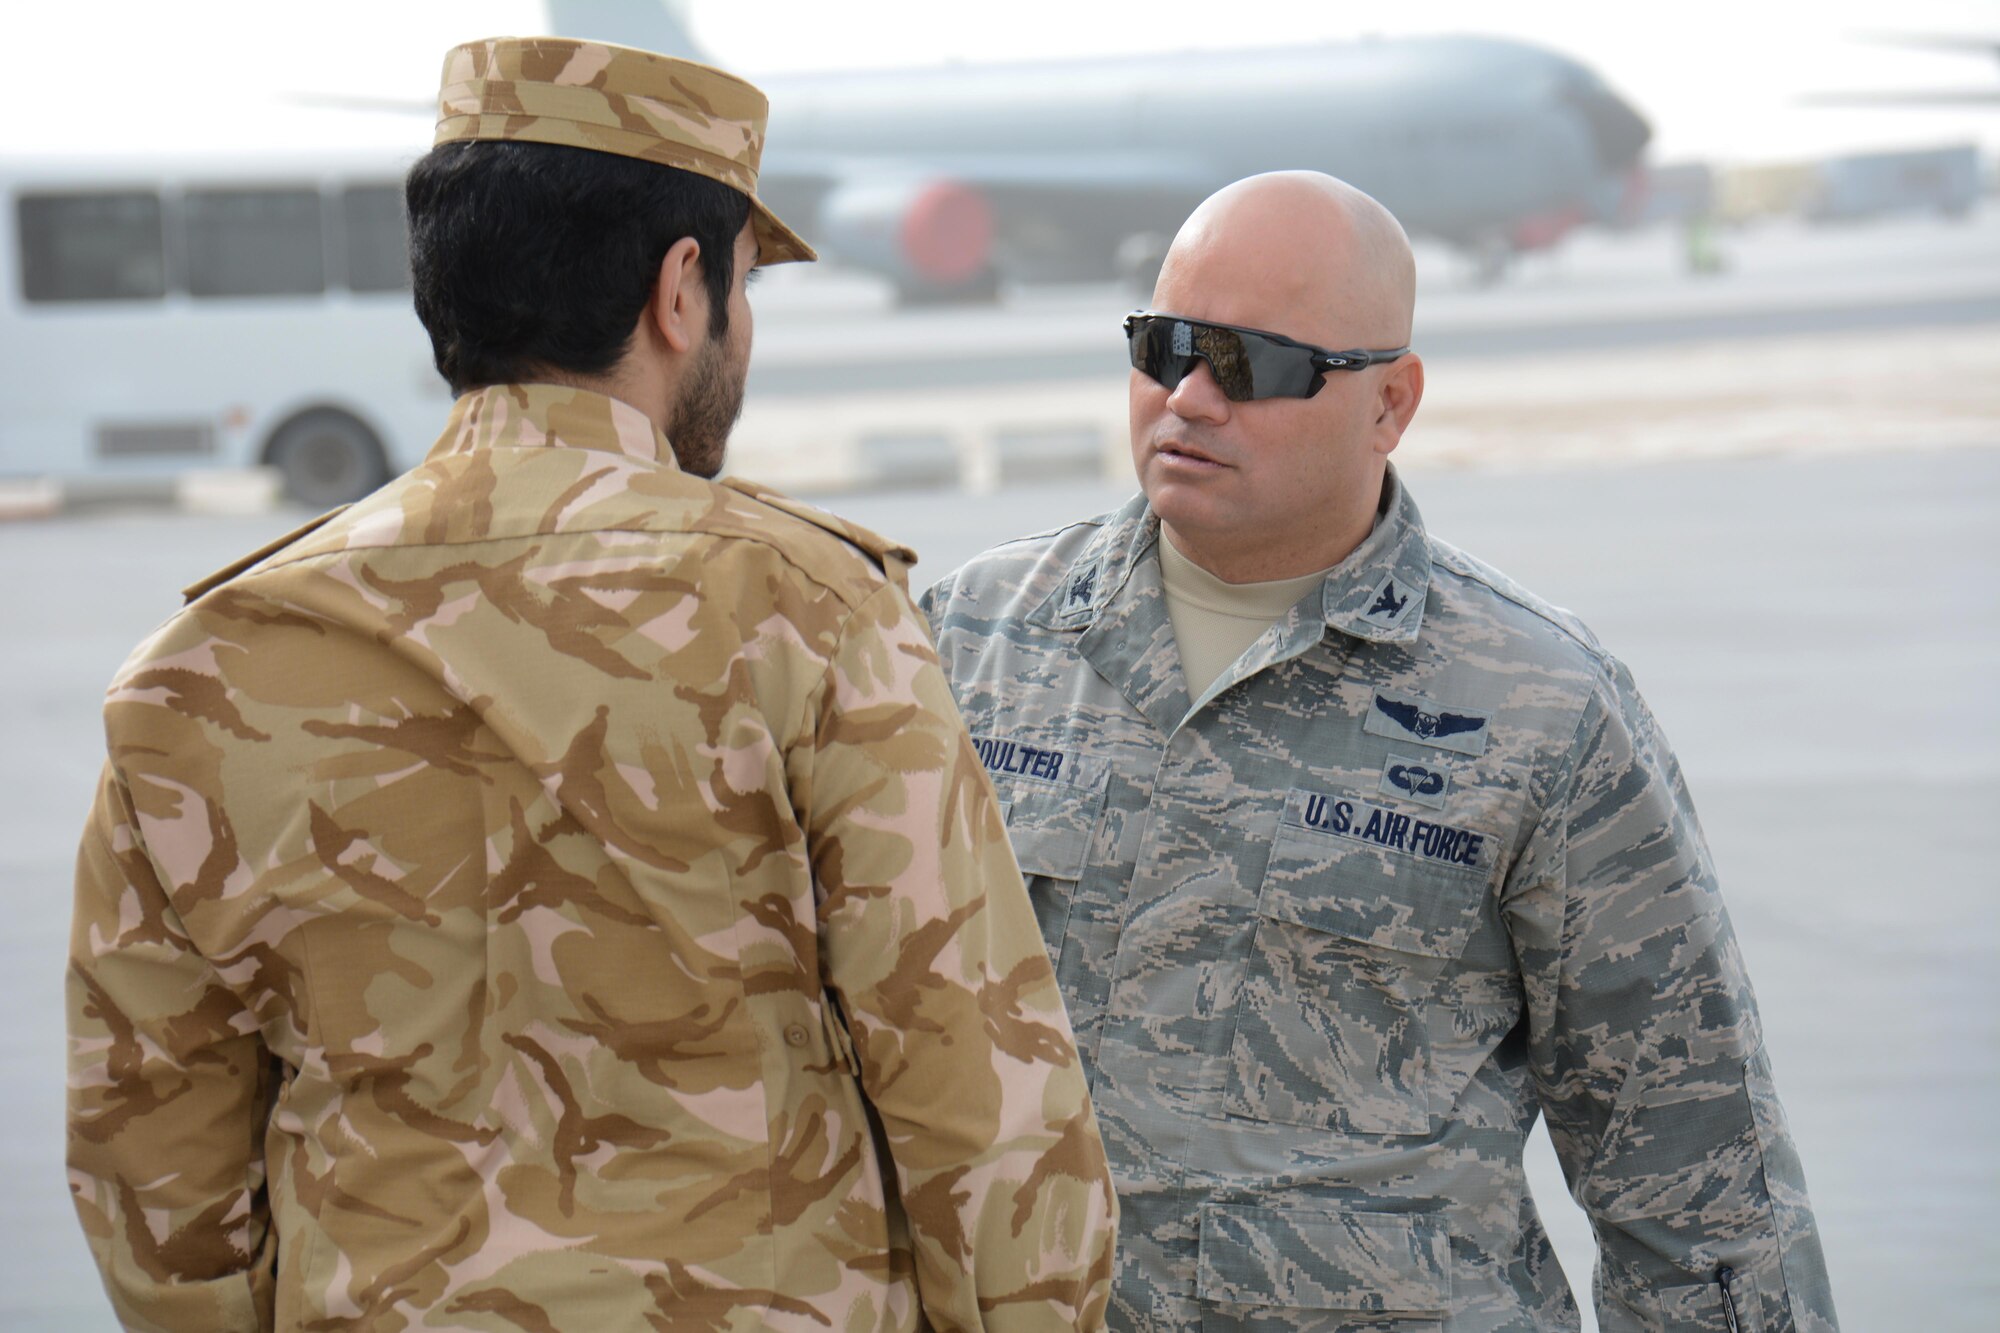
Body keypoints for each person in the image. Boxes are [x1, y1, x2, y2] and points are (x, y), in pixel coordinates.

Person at [66, 37, 1114, 1331]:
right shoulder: (807, 611)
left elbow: (150, 1156)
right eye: (742, 284)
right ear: (682, 291)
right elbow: (981, 1094)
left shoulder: (204, 666)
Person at [919, 171, 1836, 1331]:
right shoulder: (970, 641)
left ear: (1389, 403)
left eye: (1252, 363)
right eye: (1162, 347)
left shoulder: (1539, 708)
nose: (1188, 397)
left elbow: (1692, 1172)